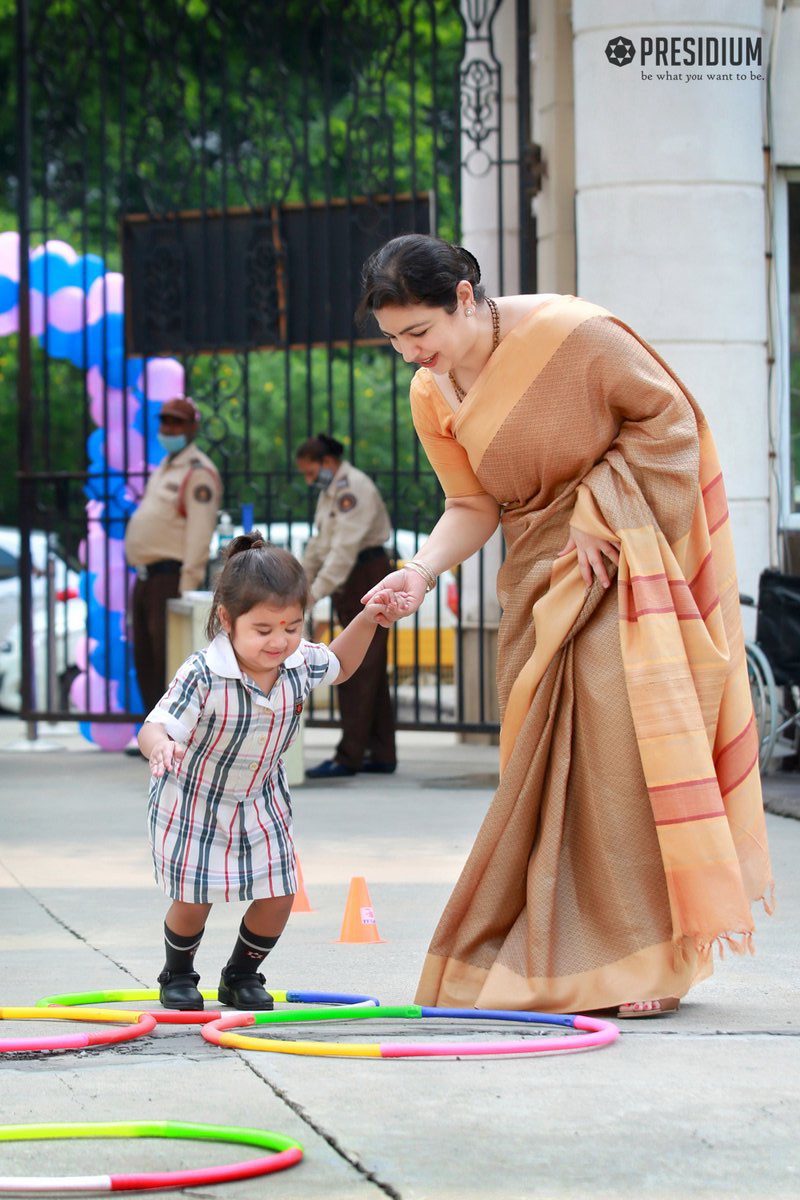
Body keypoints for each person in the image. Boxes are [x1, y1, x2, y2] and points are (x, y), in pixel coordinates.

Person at [356, 233, 774, 1018]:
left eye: (420, 332)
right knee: (547, 767)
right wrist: (417, 572)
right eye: (395, 341)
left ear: (465, 297)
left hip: (619, 564)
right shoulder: (431, 393)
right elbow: (472, 506)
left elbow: (669, 423)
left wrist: (600, 509)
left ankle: (650, 962)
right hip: (537, 576)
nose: (412, 354)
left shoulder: (572, 334)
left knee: (621, 741)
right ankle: (571, 953)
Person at [137, 533, 405, 1011]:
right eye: (263, 630)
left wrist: (368, 617)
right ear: (226, 620)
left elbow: (340, 663)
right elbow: (157, 725)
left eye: (291, 627)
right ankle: (177, 973)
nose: (278, 641)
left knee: (280, 892)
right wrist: (160, 748)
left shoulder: (297, 662)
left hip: (261, 799)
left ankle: (241, 974)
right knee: (197, 897)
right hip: (195, 798)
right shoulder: (203, 672)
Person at [296, 433, 397, 779]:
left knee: (355, 667)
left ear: (327, 462)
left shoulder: (353, 489)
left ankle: (348, 757)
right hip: (352, 579)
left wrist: (313, 594)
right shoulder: (331, 492)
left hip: (365, 574)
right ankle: (382, 752)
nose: (309, 480)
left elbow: (342, 551)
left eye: (311, 472)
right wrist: (299, 584)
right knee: (370, 668)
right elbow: (318, 545)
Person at [125, 396, 221, 718]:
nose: (169, 428)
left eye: (177, 422)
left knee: (169, 658)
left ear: (193, 427)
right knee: (146, 658)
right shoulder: (166, 466)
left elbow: (199, 535)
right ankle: (154, 734)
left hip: (170, 578)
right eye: (165, 421)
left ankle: (173, 734)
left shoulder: (198, 472)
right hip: (146, 577)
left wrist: (186, 590)